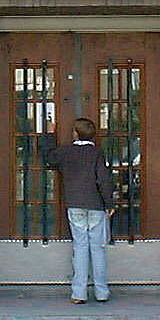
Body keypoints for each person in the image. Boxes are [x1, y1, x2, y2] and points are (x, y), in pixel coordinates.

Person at [47, 117, 115, 304]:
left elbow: (49, 157)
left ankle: (79, 293)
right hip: (96, 205)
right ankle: (102, 292)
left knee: (80, 248)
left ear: (75, 133)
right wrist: (109, 203)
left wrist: (50, 133)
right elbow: (104, 180)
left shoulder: (66, 152)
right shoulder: (97, 153)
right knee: (98, 249)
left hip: (75, 204)